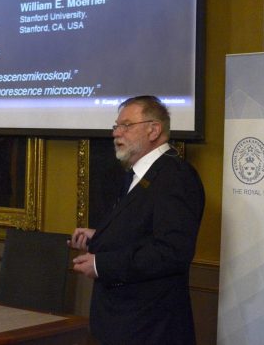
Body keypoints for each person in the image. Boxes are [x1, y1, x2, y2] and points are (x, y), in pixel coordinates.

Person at [69, 95, 205, 345]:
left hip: (150, 328)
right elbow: (140, 232)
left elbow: (171, 252)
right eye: (116, 126)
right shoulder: (137, 176)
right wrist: (100, 237)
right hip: (124, 324)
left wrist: (102, 265)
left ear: (154, 130)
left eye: (126, 126)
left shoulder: (176, 177)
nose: (116, 133)